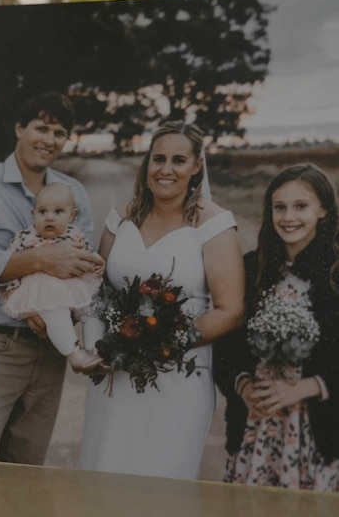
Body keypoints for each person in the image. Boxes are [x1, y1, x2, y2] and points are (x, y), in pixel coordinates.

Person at [0, 91, 104, 465]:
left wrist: (64, 314)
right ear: (19, 128)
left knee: (23, 477)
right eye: (41, 127)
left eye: (59, 132)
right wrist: (37, 260)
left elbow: (85, 265)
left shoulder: (73, 192)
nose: (49, 139)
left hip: (49, 353)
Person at [77, 120, 245, 480]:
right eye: (158, 159)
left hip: (177, 379)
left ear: (197, 165)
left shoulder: (213, 225)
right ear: (147, 163)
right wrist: (94, 347)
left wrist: (160, 344)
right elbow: (96, 289)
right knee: (106, 469)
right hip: (115, 375)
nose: (166, 169)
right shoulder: (120, 219)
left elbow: (230, 311)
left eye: (178, 160)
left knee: (163, 477)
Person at [215, 164, 339, 491]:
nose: (288, 217)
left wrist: (306, 386)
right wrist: (243, 386)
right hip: (256, 427)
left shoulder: (335, 273)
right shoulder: (252, 267)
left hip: (320, 428)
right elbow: (225, 347)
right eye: (279, 207)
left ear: (324, 210)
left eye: (301, 206)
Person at [1, 182, 102, 371]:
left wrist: (96, 263)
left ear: (72, 216)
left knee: (93, 309)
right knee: (56, 312)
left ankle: (95, 349)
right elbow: (11, 263)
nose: (49, 217)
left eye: (58, 212)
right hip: (42, 286)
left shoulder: (75, 235)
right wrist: (13, 287)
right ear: (33, 214)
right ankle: (74, 353)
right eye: (42, 212)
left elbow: (87, 254)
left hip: (73, 283)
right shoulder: (23, 237)